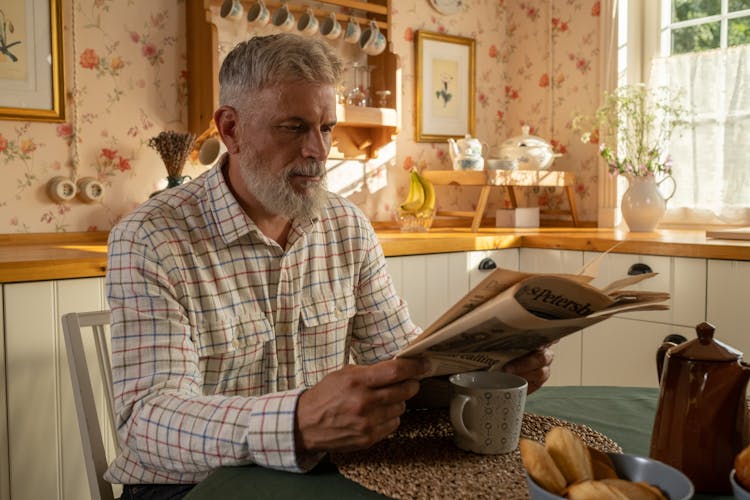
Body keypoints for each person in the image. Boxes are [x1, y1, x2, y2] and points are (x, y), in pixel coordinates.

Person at [105, 33, 553, 499]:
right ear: (231, 129)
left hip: (320, 475)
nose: (318, 151)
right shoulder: (152, 236)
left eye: (326, 128)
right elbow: (146, 423)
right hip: (189, 487)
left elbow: (401, 369)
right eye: (294, 128)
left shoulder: (347, 226)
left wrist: (486, 372)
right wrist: (298, 423)